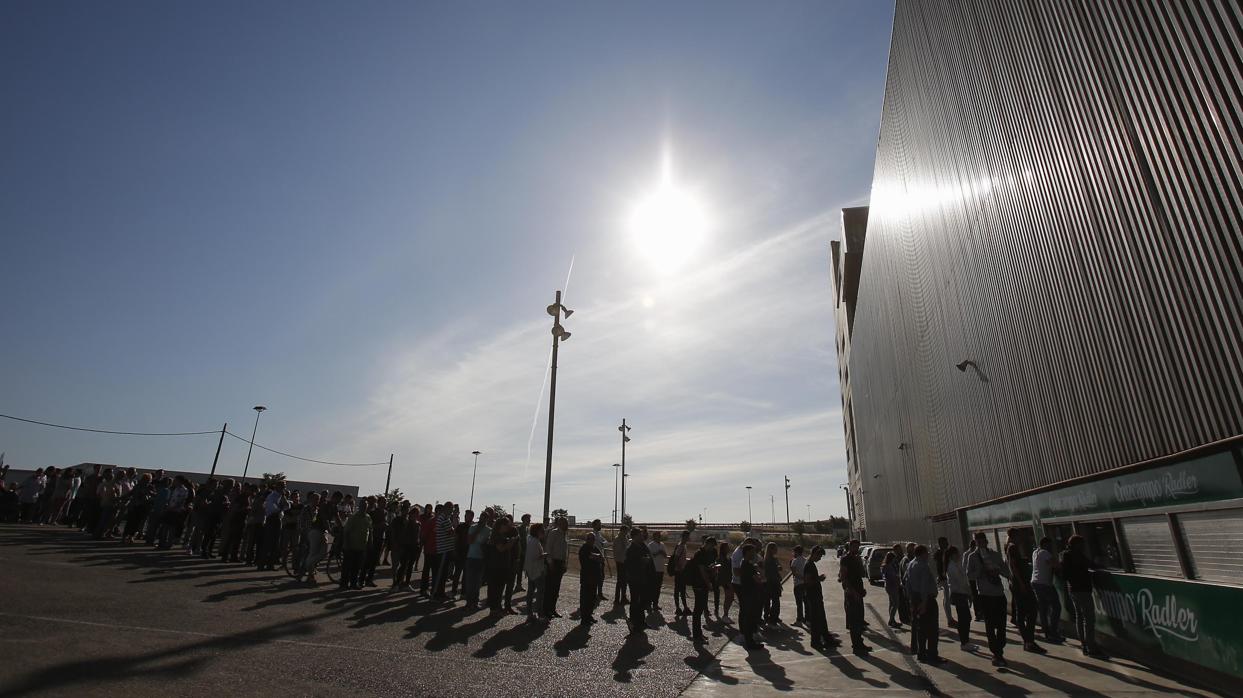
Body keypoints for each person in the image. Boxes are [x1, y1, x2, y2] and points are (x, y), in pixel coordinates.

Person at [967, 531, 1011, 667]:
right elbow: (969, 576)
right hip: (985, 595)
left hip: (998, 593)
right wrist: (980, 571)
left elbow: (1006, 571)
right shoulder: (972, 557)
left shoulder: (995, 555)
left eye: (982, 541)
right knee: (990, 625)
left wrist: (998, 571)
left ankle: (1000, 647)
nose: (981, 544)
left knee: (1002, 624)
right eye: (978, 542)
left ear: (986, 541)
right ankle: (996, 653)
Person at [1061, 534, 1106, 658]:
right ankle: (1091, 647)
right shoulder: (1077, 555)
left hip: (1073, 590)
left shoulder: (1065, 555)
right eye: (1082, 544)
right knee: (1089, 619)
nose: (1084, 546)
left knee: (1080, 617)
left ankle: (1083, 643)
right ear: (1077, 544)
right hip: (1082, 589)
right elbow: (1090, 565)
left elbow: (1065, 574)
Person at [1005, 528, 1044, 654]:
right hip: (1020, 583)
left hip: (1016, 583)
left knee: (1024, 612)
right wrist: (1021, 583)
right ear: (1015, 536)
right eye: (1019, 535)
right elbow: (1014, 566)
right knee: (1029, 611)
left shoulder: (1009, 546)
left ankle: (1028, 640)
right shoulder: (1012, 547)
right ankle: (1028, 641)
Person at [904, 545, 944, 664]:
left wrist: (911, 601)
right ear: (922, 553)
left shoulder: (910, 564)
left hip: (916, 598)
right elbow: (924, 586)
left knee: (921, 628)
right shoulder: (923, 566)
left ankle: (921, 653)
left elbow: (907, 583)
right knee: (932, 629)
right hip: (926, 600)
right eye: (927, 553)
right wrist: (924, 603)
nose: (928, 555)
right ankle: (932, 654)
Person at [1031, 536, 1064, 643]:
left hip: (1035, 582)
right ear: (1046, 544)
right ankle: (1053, 632)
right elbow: (1056, 565)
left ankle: (1047, 632)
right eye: (1050, 545)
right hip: (1045, 584)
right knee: (1056, 607)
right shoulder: (1045, 553)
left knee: (1043, 609)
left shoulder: (1035, 552)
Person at [837, 539, 868, 653]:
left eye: (857, 547)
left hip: (858, 592)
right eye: (854, 547)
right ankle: (856, 646)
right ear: (850, 547)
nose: (856, 549)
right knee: (854, 620)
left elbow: (861, 575)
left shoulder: (856, 558)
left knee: (859, 619)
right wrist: (852, 591)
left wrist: (861, 590)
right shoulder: (845, 559)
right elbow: (844, 577)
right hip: (851, 593)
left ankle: (859, 643)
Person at [945, 546, 976, 651]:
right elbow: (961, 582)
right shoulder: (952, 566)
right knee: (964, 618)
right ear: (952, 555)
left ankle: (965, 641)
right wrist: (969, 593)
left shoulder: (955, 564)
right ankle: (964, 642)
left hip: (961, 594)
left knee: (965, 618)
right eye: (957, 553)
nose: (958, 555)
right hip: (959, 594)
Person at [486, 517, 518, 615]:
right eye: (507, 525)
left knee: (498, 588)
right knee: (496, 588)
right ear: (502, 526)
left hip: (500, 565)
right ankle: (494, 609)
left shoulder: (499, 535)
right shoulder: (497, 536)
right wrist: (511, 542)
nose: (509, 527)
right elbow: (501, 549)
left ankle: (496, 608)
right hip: (497, 566)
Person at [688, 537, 716, 643]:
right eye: (712, 546)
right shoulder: (700, 553)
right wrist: (708, 583)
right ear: (707, 544)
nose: (712, 548)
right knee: (698, 610)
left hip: (702, 584)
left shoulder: (705, 553)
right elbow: (701, 570)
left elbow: (705, 568)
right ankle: (696, 635)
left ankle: (698, 633)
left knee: (700, 608)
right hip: (699, 583)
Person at [625, 527, 652, 634]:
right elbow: (629, 565)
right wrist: (642, 561)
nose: (642, 536)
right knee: (635, 601)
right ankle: (633, 622)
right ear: (635, 536)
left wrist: (647, 559)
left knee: (643, 600)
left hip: (643, 578)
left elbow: (649, 554)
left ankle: (641, 621)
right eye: (640, 535)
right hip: (634, 579)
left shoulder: (642, 546)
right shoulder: (630, 549)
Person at [738, 543, 764, 650]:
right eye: (752, 552)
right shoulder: (747, 565)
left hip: (748, 594)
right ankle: (750, 642)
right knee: (749, 618)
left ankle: (750, 640)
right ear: (747, 553)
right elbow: (759, 579)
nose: (754, 553)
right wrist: (759, 572)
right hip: (749, 594)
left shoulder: (746, 564)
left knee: (749, 618)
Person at [339, 506, 372, 590]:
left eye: (365, 506)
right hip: (351, 545)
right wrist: (346, 544)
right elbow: (346, 531)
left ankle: (353, 583)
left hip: (362, 546)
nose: (363, 508)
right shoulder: (353, 517)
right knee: (347, 566)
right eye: (362, 506)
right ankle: (344, 584)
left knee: (357, 567)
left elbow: (370, 530)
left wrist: (370, 542)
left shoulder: (368, 517)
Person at [463, 510, 490, 606]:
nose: (483, 520)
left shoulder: (488, 530)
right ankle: (469, 602)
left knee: (478, 582)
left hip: (481, 558)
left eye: (485, 518)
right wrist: (478, 530)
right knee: (470, 581)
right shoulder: (473, 527)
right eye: (482, 518)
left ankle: (475, 601)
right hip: (471, 557)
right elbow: (470, 541)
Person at [543, 516, 569, 618]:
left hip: (561, 563)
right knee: (550, 588)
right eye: (565, 523)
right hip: (553, 562)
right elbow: (548, 548)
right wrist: (550, 563)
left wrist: (565, 564)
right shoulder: (554, 533)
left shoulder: (564, 534)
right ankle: (546, 610)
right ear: (559, 524)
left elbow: (564, 551)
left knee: (556, 588)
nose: (567, 525)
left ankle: (552, 609)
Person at [394, 505, 422, 591]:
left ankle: (407, 583)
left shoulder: (418, 524)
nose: (415, 515)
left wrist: (418, 545)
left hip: (414, 546)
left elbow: (418, 536)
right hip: (406, 546)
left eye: (417, 514)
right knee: (403, 566)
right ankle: (397, 584)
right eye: (414, 513)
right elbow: (403, 534)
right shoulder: (407, 522)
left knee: (410, 566)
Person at [523, 522, 547, 623]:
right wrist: (544, 555)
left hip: (530, 569)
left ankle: (530, 614)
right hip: (536, 570)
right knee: (539, 594)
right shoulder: (534, 541)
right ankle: (540, 615)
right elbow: (535, 557)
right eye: (542, 530)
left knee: (530, 592)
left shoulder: (530, 539)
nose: (543, 532)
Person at [579, 531, 604, 625]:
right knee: (585, 598)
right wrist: (595, 557)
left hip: (595, 576)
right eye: (590, 539)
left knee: (592, 598)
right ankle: (584, 618)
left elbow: (602, 558)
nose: (592, 540)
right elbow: (587, 559)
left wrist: (595, 557)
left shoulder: (595, 548)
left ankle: (589, 615)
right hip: (587, 576)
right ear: (587, 539)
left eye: (593, 539)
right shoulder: (584, 548)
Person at [419, 504, 437, 595]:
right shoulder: (431, 521)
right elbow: (424, 534)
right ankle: (424, 589)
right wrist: (422, 543)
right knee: (427, 570)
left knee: (434, 571)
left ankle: (432, 589)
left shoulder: (436, 521)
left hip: (436, 550)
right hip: (429, 548)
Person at [935, 536, 953, 625]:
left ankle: (949, 617)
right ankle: (949, 619)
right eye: (945, 542)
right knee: (947, 598)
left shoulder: (944, 552)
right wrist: (941, 576)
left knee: (947, 598)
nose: (947, 544)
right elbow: (939, 567)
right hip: (944, 578)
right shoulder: (940, 553)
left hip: (945, 577)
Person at [648, 530, 668, 612]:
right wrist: (658, 552)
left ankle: (655, 604)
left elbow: (665, 555)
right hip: (653, 569)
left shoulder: (662, 544)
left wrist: (662, 553)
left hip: (661, 569)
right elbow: (651, 555)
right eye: (658, 535)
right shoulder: (651, 545)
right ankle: (649, 604)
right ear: (654, 536)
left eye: (660, 536)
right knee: (652, 587)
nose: (659, 537)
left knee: (658, 587)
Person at [672, 530, 691, 617]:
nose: (687, 538)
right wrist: (680, 568)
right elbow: (676, 558)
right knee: (678, 590)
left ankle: (683, 607)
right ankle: (678, 608)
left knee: (681, 590)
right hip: (679, 571)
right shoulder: (681, 546)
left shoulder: (683, 545)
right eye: (686, 536)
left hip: (681, 570)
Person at [763, 542, 782, 625]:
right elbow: (770, 571)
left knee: (772, 601)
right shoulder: (769, 560)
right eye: (775, 549)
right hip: (771, 582)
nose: (776, 550)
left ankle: (771, 616)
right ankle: (770, 617)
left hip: (773, 582)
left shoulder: (773, 559)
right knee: (771, 601)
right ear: (771, 549)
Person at [882, 551, 902, 628]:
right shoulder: (888, 566)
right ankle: (891, 620)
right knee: (896, 603)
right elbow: (892, 577)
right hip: (892, 586)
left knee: (892, 603)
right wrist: (897, 579)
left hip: (889, 586)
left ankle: (892, 619)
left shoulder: (887, 565)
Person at [716, 541, 734, 621]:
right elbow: (722, 572)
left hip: (728, 580)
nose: (728, 548)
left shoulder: (726, 557)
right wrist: (727, 582)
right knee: (728, 597)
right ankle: (725, 615)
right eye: (727, 547)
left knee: (730, 597)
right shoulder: (721, 559)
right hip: (726, 581)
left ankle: (725, 614)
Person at [613, 524, 631, 606]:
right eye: (626, 531)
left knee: (624, 581)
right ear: (623, 531)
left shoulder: (625, 538)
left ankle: (623, 597)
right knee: (620, 580)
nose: (627, 532)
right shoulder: (618, 539)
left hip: (625, 561)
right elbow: (618, 550)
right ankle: (617, 599)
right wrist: (625, 546)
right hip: (620, 562)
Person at [790, 545, 807, 627]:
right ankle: (807, 619)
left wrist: (801, 578)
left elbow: (794, 573)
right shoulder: (805, 560)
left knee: (799, 603)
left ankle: (799, 619)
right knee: (806, 601)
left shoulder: (795, 561)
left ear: (796, 552)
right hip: (805, 584)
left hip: (798, 584)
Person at [591, 519, 608, 601]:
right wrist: (602, 543)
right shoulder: (592, 535)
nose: (600, 525)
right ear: (595, 525)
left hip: (601, 558)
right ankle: (594, 594)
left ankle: (599, 593)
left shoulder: (599, 535)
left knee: (601, 577)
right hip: (595, 559)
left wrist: (603, 543)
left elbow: (606, 542)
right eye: (599, 524)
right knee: (596, 577)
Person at [514, 513, 531, 593]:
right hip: (520, 553)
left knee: (521, 569)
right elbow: (519, 541)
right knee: (519, 569)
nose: (530, 521)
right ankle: (517, 585)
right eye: (528, 519)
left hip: (525, 552)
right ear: (524, 520)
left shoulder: (527, 529)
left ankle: (518, 584)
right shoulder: (519, 528)